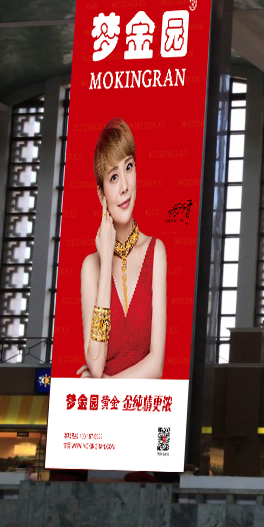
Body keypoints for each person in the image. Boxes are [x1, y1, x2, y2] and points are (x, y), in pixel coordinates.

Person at [79, 118, 167, 379]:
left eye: (129, 167)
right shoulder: (91, 267)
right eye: (114, 177)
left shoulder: (156, 252)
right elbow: (96, 364)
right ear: (101, 194)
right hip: (102, 408)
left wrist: (104, 387)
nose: (125, 186)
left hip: (139, 404)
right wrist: (106, 261)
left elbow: (156, 365)